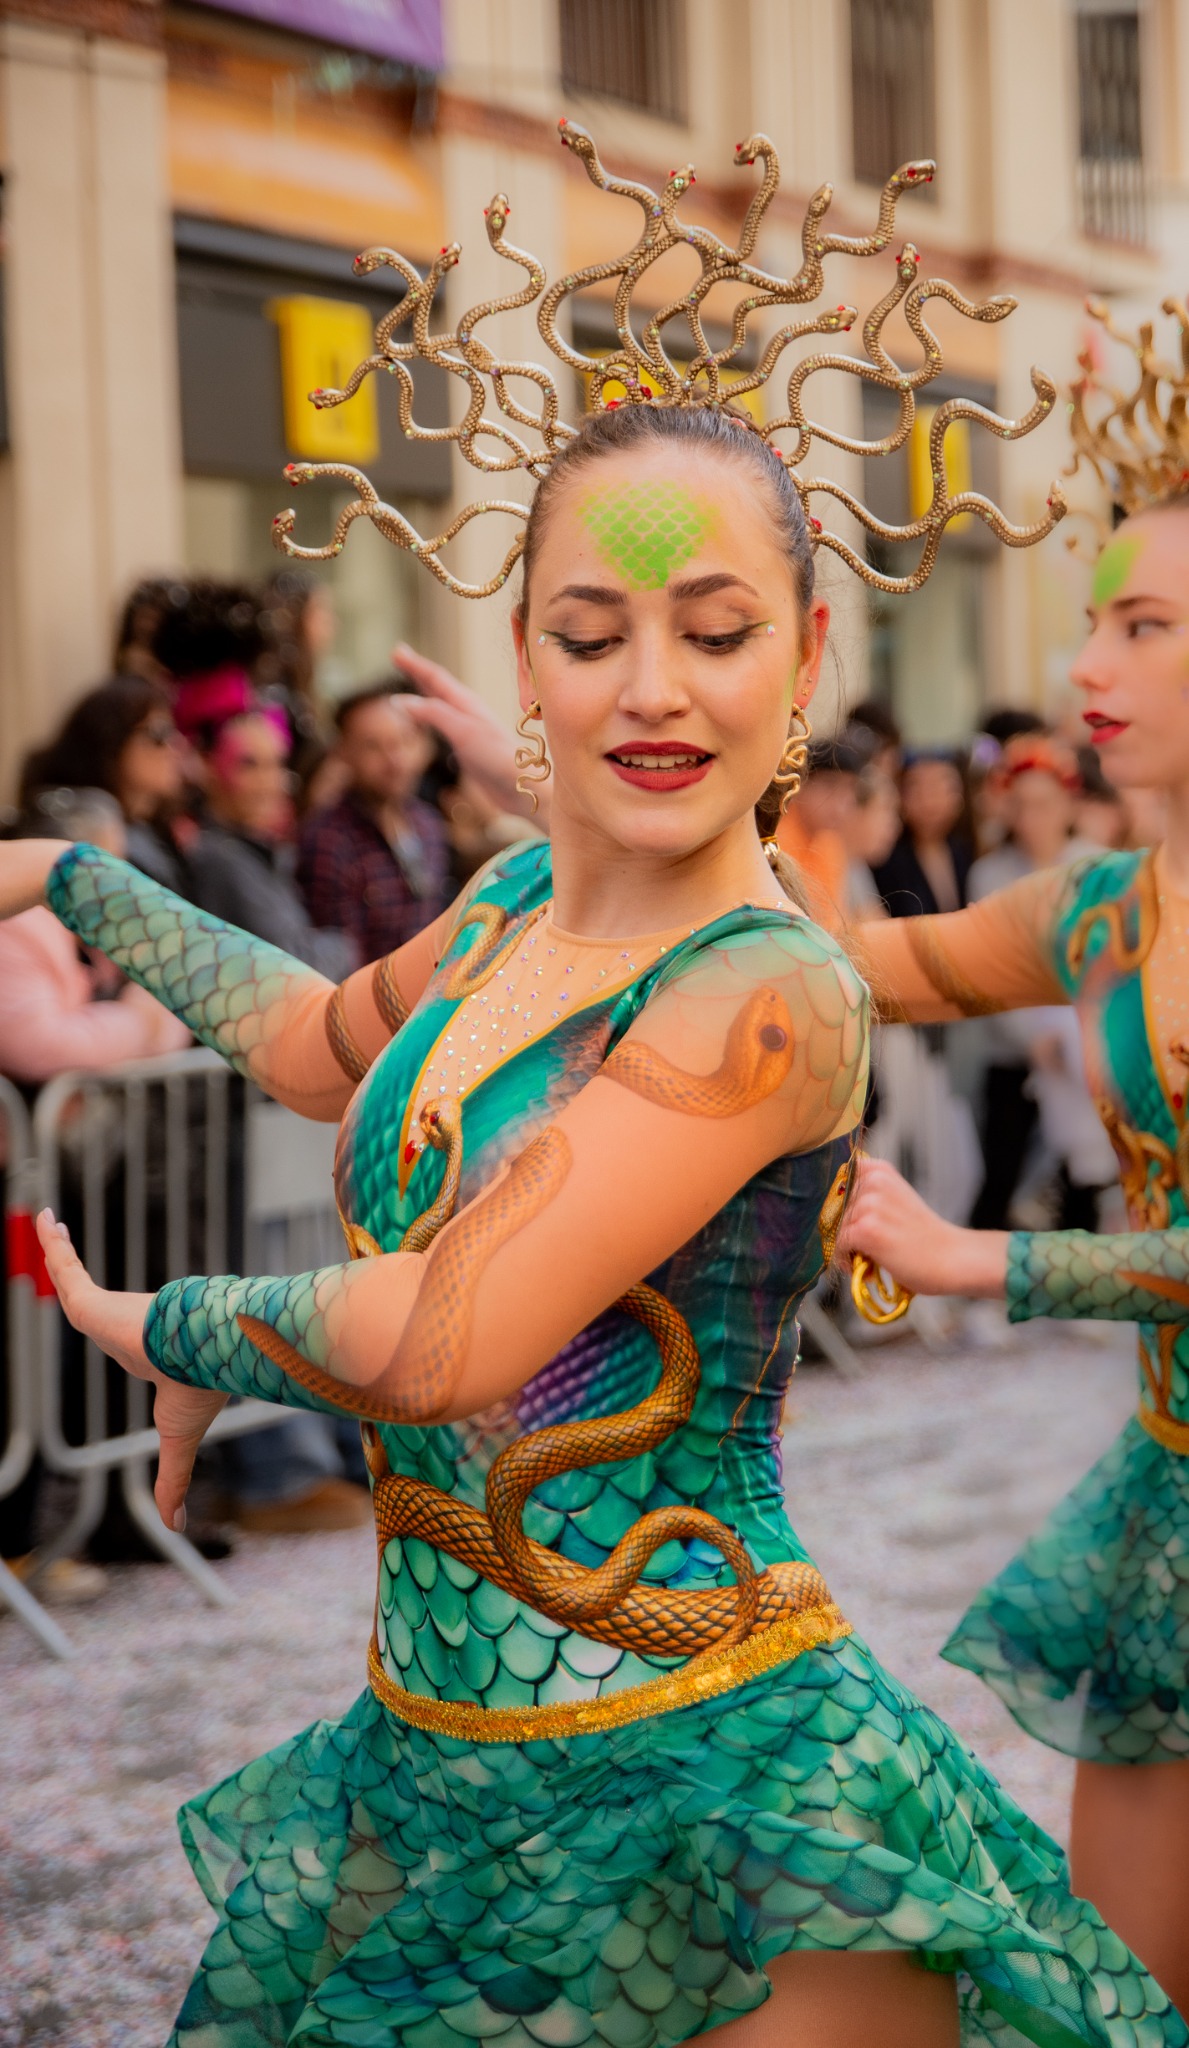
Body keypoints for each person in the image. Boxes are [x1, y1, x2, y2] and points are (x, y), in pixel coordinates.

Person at [7, 136, 1179, 2048]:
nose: (648, 686)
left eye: (711, 633)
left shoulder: (763, 995)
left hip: (712, 1776)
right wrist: (83, 884)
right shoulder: (495, 909)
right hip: (435, 1756)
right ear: (522, 658)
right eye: (587, 634)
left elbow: (445, 1333)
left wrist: (170, 1319)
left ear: (804, 654)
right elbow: (311, 1040)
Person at [841, 473, 1189, 2018]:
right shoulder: (1105, 909)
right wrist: (601, 804)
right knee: (1122, 2000)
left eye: (1143, 626)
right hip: (1172, 1498)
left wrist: (988, 1260)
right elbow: (850, 964)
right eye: (1093, 625)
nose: (1086, 668)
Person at [188, 711, 357, 982]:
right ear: (210, 768)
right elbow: (294, 968)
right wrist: (344, 946)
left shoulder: (261, 852)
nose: (269, 782)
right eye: (249, 765)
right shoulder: (220, 860)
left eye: (277, 764)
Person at [297, 682, 452, 962]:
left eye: (404, 741)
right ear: (344, 752)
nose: (395, 760)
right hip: (372, 986)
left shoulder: (428, 822)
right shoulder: (328, 840)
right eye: (373, 747)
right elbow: (340, 957)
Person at [19, 674, 194, 892]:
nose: (176, 745)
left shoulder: (152, 830)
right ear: (111, 741)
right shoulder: (85, 833)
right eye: (159, 734)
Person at [872, 750, 974, 917]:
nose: (928, 801)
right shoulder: (884, 859)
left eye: (938, 789)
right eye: (916, 788)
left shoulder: (966, 852)